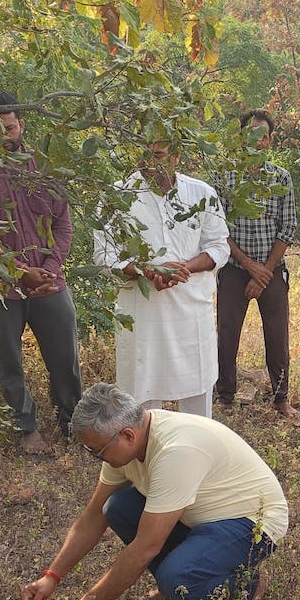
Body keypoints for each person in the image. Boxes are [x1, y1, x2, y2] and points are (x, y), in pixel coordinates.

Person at [22, 383, 288, 600]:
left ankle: (246, 586)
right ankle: (187, 570)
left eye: (97, 451)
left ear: (127, 435)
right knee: (117, 507)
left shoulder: (176, 452)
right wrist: (51, 576)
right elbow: (92, 518)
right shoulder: (131, 440)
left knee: (177, 579)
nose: (96, 458)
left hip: (252, 523)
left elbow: (145, 547)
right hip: (203, 518)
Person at [0, 90, 82, 455]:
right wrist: (21, 272)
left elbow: (63, 224)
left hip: (51, 284)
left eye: (9, 126)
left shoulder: (47, 169)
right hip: (1, 287)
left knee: (65, 358)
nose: (5, 135)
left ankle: (73, 422)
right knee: (9, 360)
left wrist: (49, 269)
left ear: (21, 124)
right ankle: (27, 429)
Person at [94, 140, 230, 419]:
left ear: (177, 156)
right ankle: (146, 455)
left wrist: (185, 268)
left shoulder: (201, 193)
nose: (150, 163)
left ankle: (195, 453)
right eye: (145, 154)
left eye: (158, 155)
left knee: (198, 393)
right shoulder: (118, 196)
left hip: (191, 309)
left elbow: (219, 246)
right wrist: (149, 271)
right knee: (141, 395)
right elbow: (104, 256)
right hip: (142, 313)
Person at [215, 110, 299, 417]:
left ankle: (280, 398)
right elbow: (218, 230)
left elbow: (287, 228)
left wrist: (264, 273)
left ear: (270, 140)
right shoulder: (222, 177)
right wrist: (250, 267)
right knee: (227, 332)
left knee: (277, 335)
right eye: (251, 136)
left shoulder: (281, 178)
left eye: (262, 136)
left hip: (273, 271)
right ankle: (225, 395)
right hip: (235, 270)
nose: (257, 143)